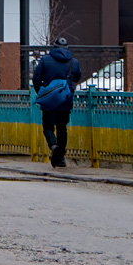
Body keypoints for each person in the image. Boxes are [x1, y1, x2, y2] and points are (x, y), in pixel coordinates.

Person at [32, 38, 82, 168]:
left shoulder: (45, 60)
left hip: (49, 100)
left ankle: (53, 146)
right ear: (67, 47)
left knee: (48, 127)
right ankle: (61, 158)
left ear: (54, 47)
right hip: (65, 99)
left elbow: (36, 79)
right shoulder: (73, 62)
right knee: (62, 128)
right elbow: (77, 77)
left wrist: (43, 93)